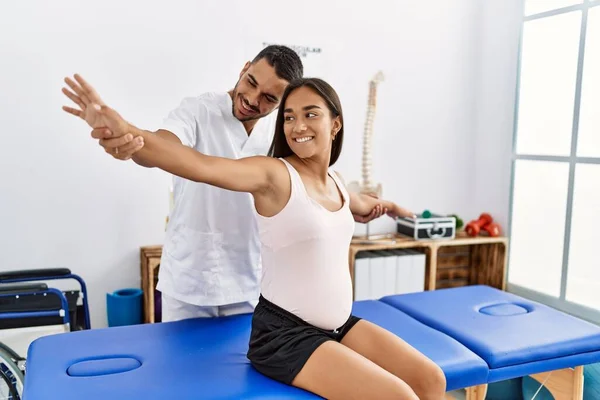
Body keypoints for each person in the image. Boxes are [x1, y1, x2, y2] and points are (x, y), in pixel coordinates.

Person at [62, 74, 445, 399]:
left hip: (337, 325)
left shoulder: (337, 184)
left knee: (432, 380)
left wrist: (385, 206)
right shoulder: (273, 175)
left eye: (311, 114)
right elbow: (199, 164)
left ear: (336, 124)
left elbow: (353, 205)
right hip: (285, 337)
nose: (297, 127)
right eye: (290, 117)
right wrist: (127, 132)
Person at [62, 46, 393, 322]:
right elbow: (162, 148)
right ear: (244, 68)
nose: (252, 98)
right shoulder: (198, 110)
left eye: (268, 99)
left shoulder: (282, 134)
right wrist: (127, 136)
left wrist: (364, 205)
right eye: (250, 82)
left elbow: (310, 181)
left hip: (250, 283)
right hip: (189, 282)